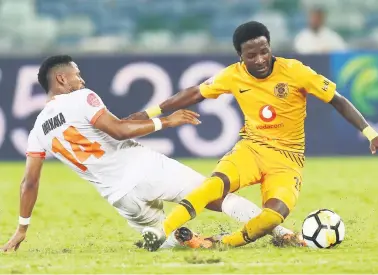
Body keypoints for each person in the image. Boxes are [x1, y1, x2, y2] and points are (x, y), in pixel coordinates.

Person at [134, 21, 378, 251]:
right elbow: (194, 93)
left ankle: (219, 243)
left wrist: (371, 133)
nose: (260, 59)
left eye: (264, 51)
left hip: (288, 160)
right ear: (240, 56)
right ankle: (160, 232)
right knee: (213, 186)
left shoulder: (295, 71)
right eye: (252, 55)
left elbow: (337, 99)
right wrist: (151, 113)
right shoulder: (233, 76)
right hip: (251, 149)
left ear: (270, 47)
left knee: (272, 217)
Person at [1, 55, 295, 252]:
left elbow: (29, 183)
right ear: (62, 79)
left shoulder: (38, 129)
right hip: (143, 168)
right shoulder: (81, 98)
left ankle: (190, 242)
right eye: (77, 75)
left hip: (120, 197)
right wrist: (166, 120)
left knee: (161, 236)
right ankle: (279, 233)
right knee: (213, 195)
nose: (82, 80)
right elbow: (118, 131)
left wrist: (22, 228)